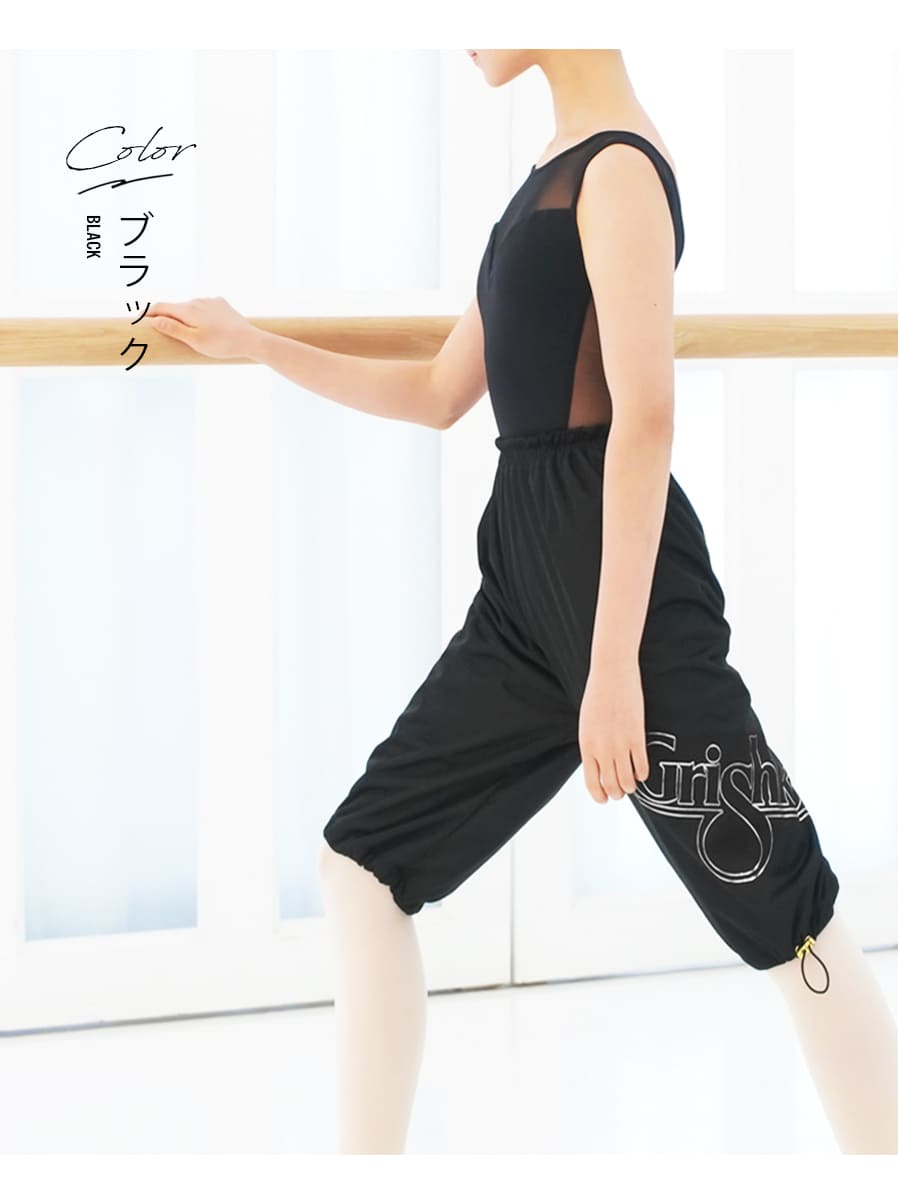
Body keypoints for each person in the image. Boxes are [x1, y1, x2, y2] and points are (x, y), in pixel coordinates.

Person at [145, 49, 897, 1156]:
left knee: (790, 916)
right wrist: (255, 343)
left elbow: (645, 417)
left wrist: (613, 666)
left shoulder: (620, 170)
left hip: (623, 603)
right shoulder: (549, 173)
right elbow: (439, 392)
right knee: (361, 866)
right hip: (527, 593)